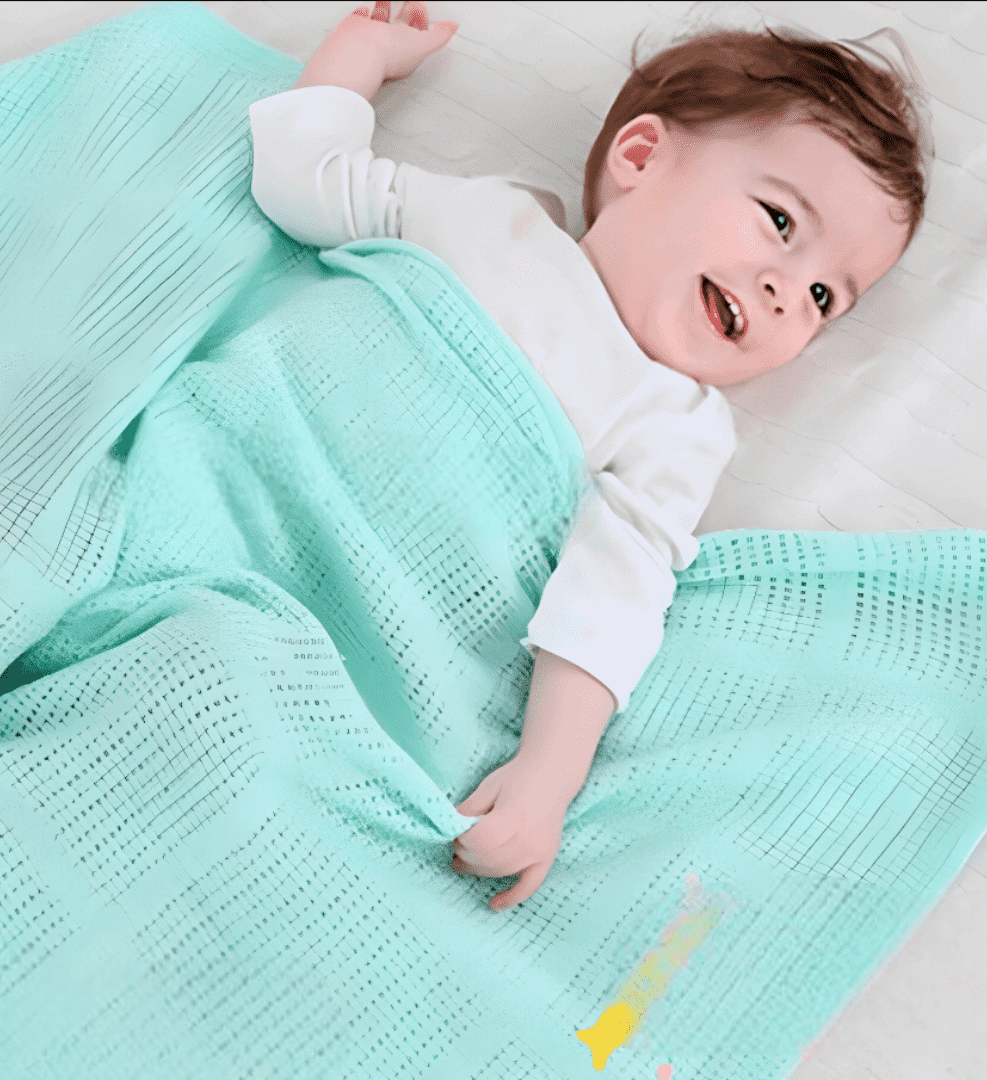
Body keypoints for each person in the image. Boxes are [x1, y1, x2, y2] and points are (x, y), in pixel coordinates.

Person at [247, 0, 929, 911]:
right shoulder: (492, 222)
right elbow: (306, 181)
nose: (784, 292)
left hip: (355, 603)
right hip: (242, 463)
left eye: (822, 298)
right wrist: (359, 56)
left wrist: (546, 777)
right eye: (778, 220)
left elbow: (611, 601)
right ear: (641, 156)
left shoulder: (675, 423)